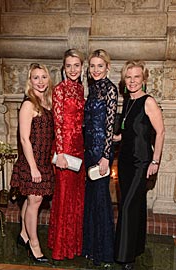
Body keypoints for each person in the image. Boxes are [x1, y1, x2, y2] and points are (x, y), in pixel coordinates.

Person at [113, 60, 165, 270]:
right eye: (129, 77)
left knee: (126, 206)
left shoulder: (148, 101)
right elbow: (130, 131)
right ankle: (136, 247)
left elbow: (160, 132)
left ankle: (125, 256)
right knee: (134, 205)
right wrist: (115, 137)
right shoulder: (127, 102)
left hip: (142, 161)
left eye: (136, 77)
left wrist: (155, 161)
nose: (132, 81)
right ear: (124, 80)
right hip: (124, 160)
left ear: (143, 79)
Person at [10, 63, 54, 263]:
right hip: (32, 162)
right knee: (35, 202)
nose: (40, 81)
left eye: (43, 77)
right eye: (36, 77)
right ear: (30, 80)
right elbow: (24, 139)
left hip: (44, 160)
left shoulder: (47, 102)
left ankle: (23, 235)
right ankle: (34, 246)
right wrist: (34, 168)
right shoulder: (29, 104)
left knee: (31, 200)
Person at [48, 49, 85, 262]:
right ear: (64, 68)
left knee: (75, 199)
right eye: (69, 65)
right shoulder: (59, 90)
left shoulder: (80, 89)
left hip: (79, 149)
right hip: (65, 151)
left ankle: (73, 244)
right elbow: (58, 123)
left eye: (76, 65)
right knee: (63, 199)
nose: (72, 69)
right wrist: (60, 152)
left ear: (82, 67)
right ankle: (61, 247)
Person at [83, 49, 118, 267]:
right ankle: (91, 247)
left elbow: (110, 125)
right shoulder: (94, 88)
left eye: (100, 65)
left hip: (101, 152)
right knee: (92, 199)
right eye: (93, 66)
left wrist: (106, 156)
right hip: (89, 150)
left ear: (107, 67)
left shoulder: (110, 90)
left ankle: (104, 252)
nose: (96, 70)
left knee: (102, 199)